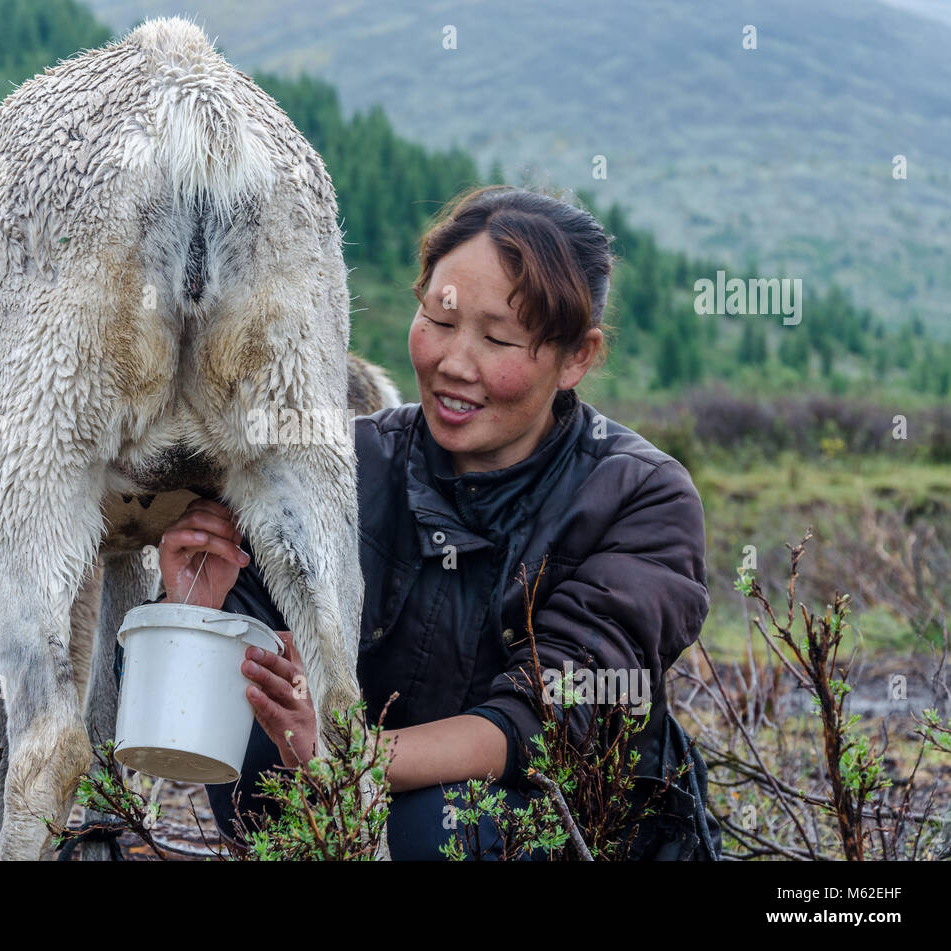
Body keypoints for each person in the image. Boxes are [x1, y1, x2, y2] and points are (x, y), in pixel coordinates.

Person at [128, 185, 721, 861]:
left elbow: (540, 720)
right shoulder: (350, 462)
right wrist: (202, 609)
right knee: (254, 727)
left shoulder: (639, 498)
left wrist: (341, 753)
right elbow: (240, 681)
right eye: (439, 321)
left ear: (576, 357)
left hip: (571, 828)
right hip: (370, 800)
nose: (452, 363)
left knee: (433, 824)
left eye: (498, 337)